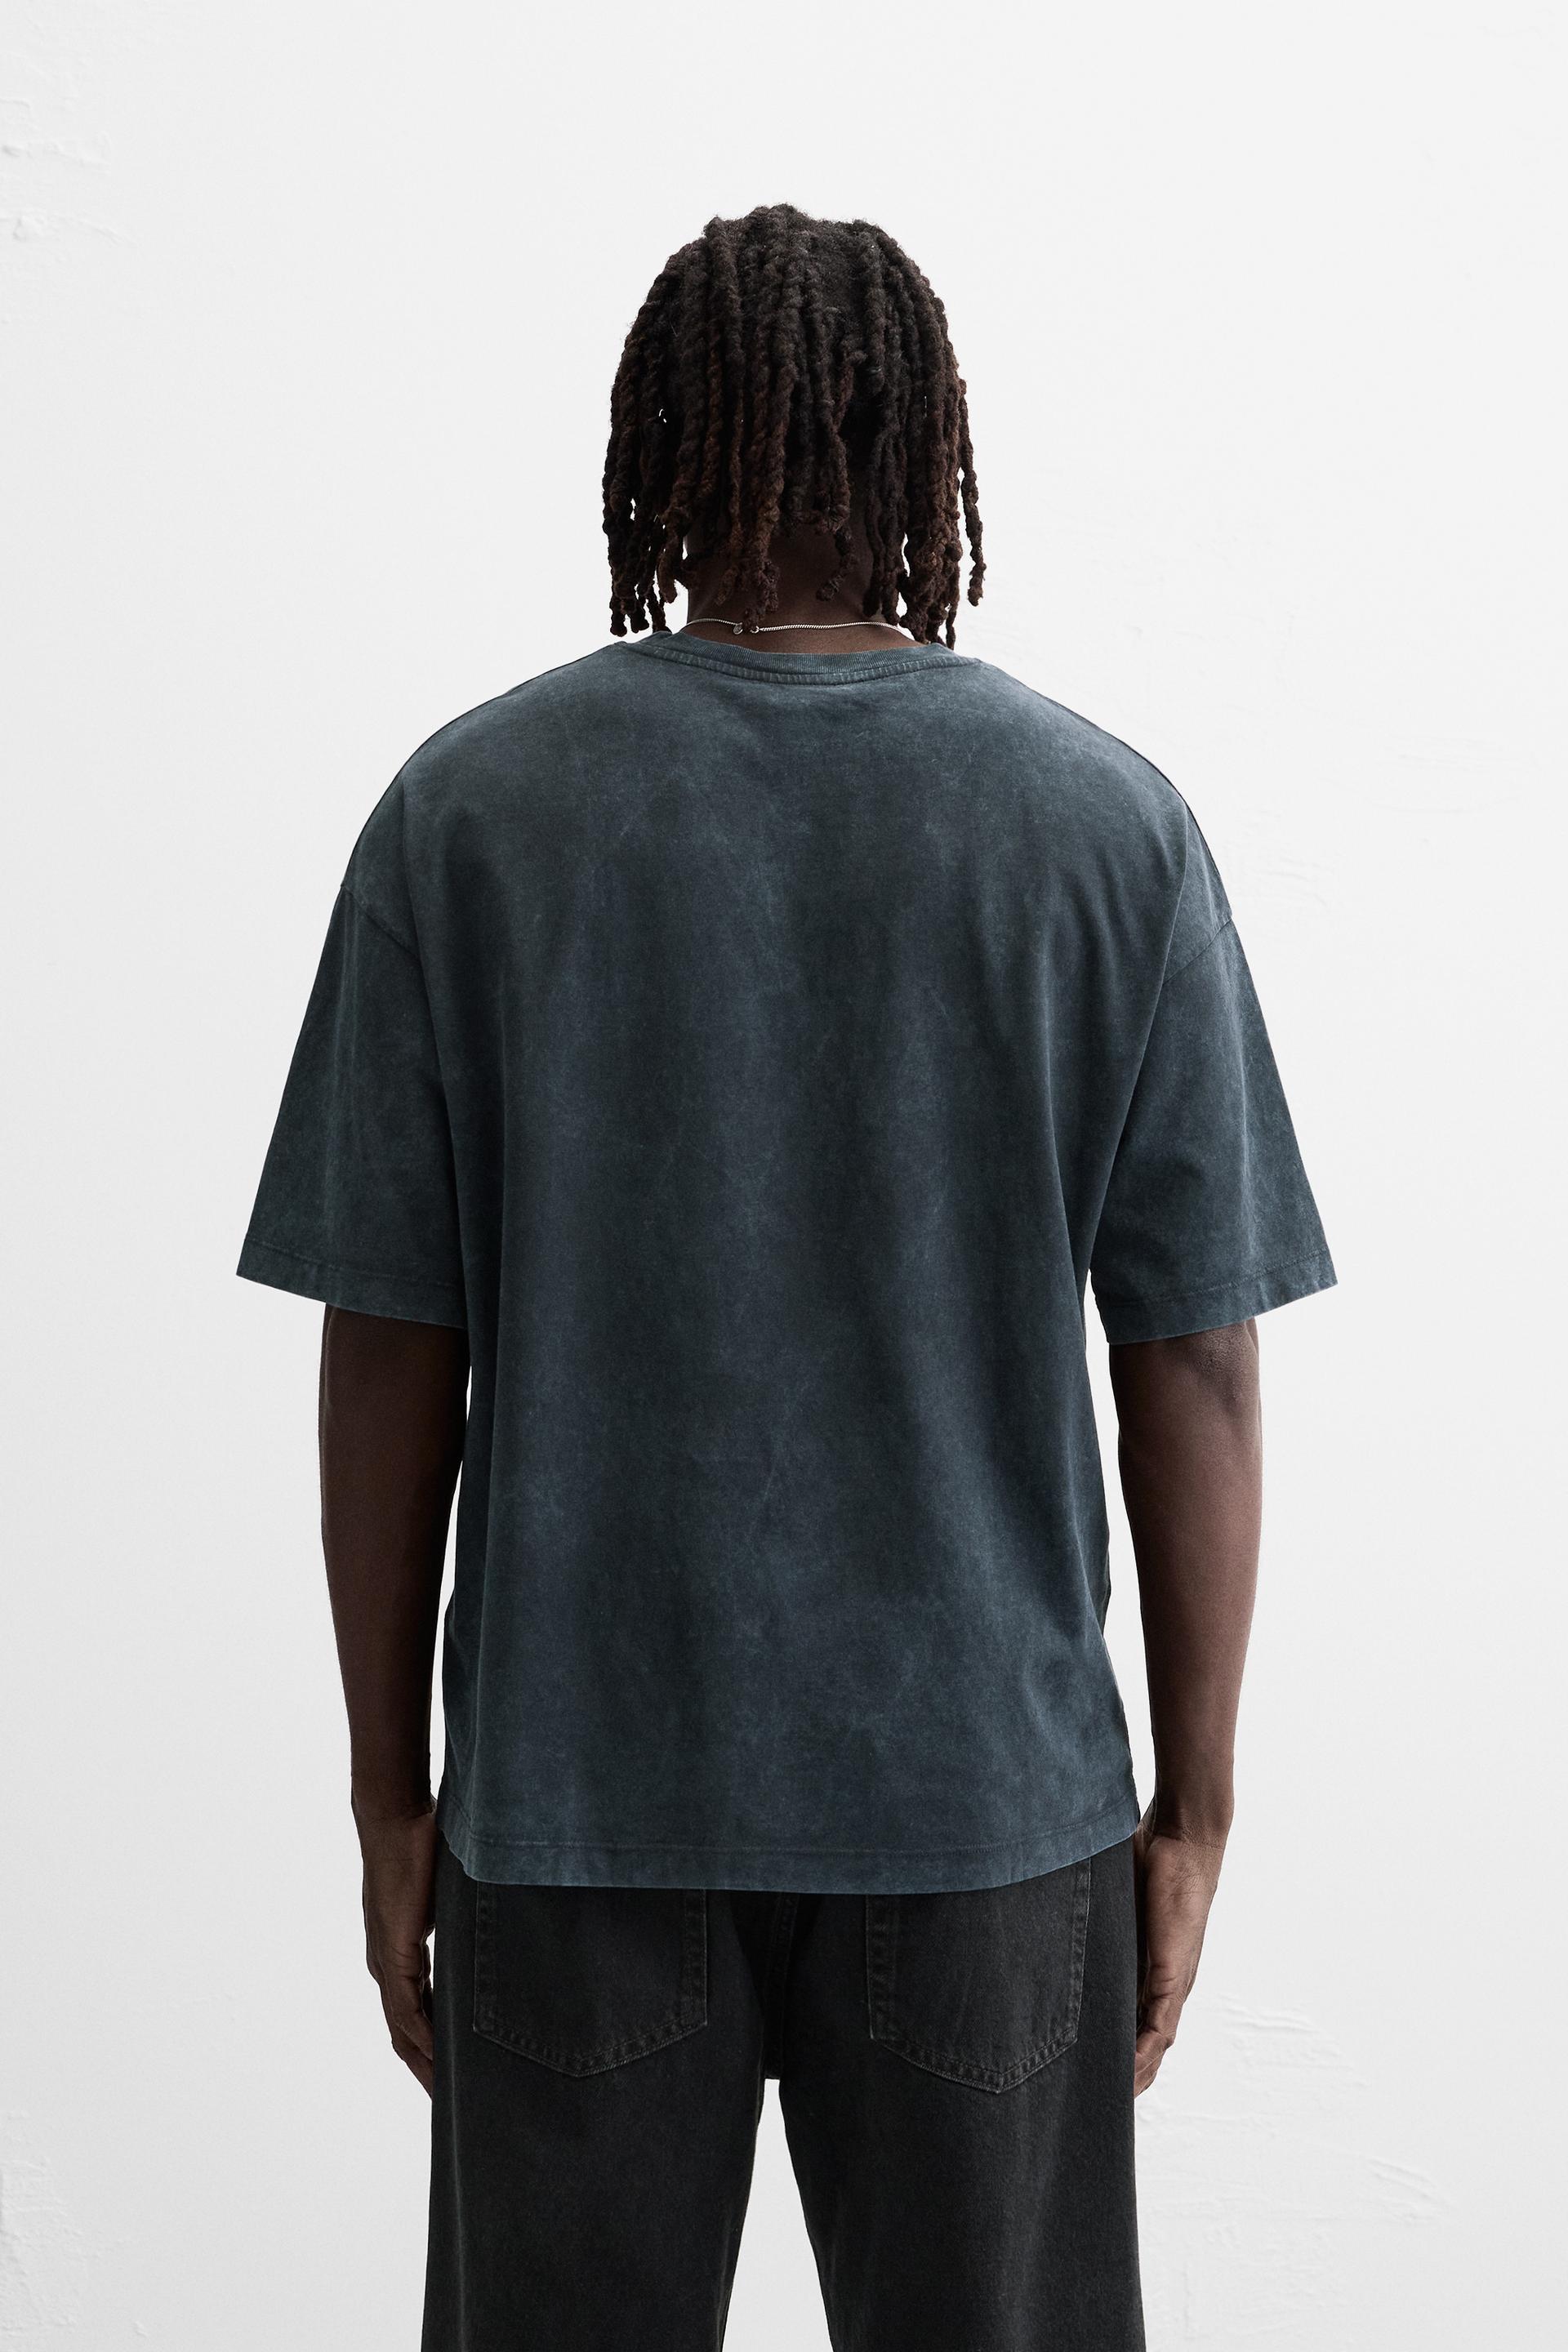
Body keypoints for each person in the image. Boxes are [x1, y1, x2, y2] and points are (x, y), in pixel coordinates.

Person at [238, 204, 1334, 2351]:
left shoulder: (469, 816)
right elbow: (1193, 1361)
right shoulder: (1106, 829)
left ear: (658, 449)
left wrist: (389, 1796)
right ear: (925, 454)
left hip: (578, 1805)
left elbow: (388, 1356)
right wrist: (1194, 1811)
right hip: (984, 1812)